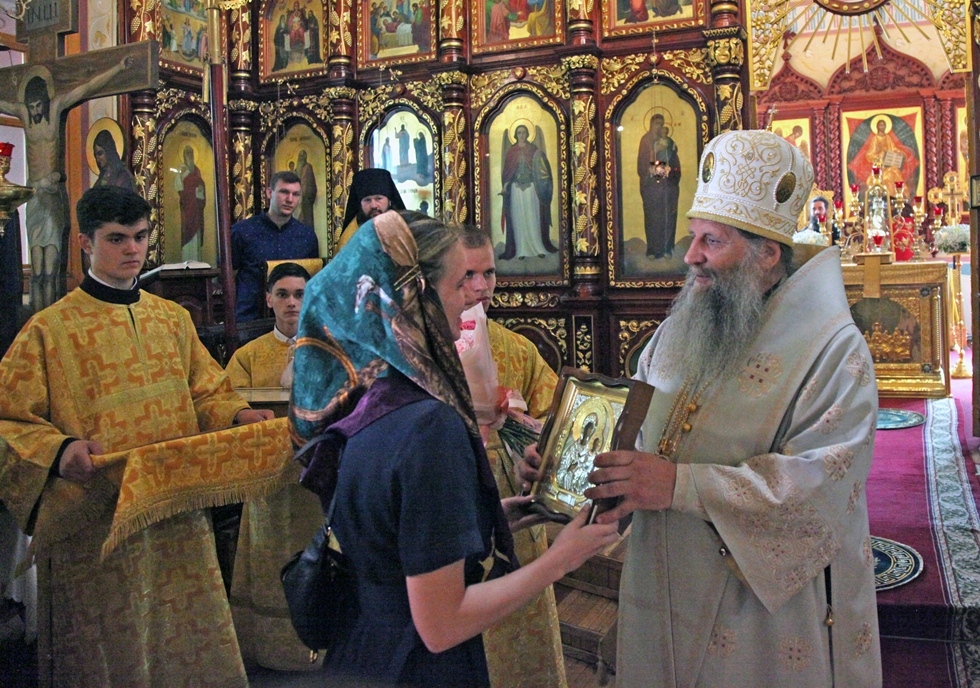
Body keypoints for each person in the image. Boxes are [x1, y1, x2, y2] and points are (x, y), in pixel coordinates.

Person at [521, 129, 883, 686]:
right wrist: (568, 467)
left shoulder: (833, 351)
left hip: (760, 613)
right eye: (693, 237)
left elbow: (821, 487)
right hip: (661, 575)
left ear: (767, 254)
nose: (690, 256)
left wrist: (678, 486)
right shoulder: (684, 326)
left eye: (712, 241)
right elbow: (637, 434)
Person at [290, 210, 619, 686]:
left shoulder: (372, 398)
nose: (470, 298)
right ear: (414, 296)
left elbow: (393, 537)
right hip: (416, 668)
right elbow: (442, 625)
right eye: (458, 283)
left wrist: (488, 515)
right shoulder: (430, 426)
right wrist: (561, 558)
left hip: (362, 650)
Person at [0, 185, 274, 687]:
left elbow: (205, 391)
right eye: (116, 238)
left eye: (141, 236)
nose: (132, 249)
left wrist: (236, 415)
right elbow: (10, 420)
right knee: (111, 642)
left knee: (181, 633)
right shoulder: (48, 329)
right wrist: (60, 451)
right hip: (99, 518)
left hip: (175, 509)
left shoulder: (172, 318)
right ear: (85, 243)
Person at [458, 226, 568, 687]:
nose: (481, 287)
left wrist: (527, 431)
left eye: (489, 273)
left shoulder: (517, 347)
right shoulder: (417, 347)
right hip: (452, 495)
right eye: (468, 275)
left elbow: (553, 420)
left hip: (511, 493)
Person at [222, 262, 325, 671]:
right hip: (268, 482)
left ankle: (325, 646)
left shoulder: (333, 348)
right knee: (268, 558)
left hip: (319, 480)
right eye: (282, 294)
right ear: (268, 299)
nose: (292, 303)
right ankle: (268, 648)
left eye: (300, 294)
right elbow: (228, 408)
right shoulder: (247, 356)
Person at [0, 56, 135, 310]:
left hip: (52, 195)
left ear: (46, 100)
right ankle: (37, 313)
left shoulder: (56, 108)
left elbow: (87, 87)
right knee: (37, 265)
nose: (35, 110)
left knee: (51, 263)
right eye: (32, 106)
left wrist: (117, 67)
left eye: (38, 105)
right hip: (34, 196)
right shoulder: (24, 113)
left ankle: (50, 310)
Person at [231, 170, 319, 322]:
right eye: (284, 192)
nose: (290, 199)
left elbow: (311, 278)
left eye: (296, 194)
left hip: (293, 317)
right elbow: (228, 274)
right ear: (269, 193)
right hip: (250, 317)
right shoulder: (242, 231)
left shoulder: (307, 236)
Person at [499, 124, 557, 260]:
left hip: (532, 188)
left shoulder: (533, 150)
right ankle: (521, 250)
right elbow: (508, 172)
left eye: (524, 132)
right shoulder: (512, 151)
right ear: (515, 135)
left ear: (527, 134)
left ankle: (538, 247)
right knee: (519, 218)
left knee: (533, 217)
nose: (522, 135)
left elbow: (541, 169)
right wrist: (505, 186)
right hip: (516, 189)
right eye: (519, 133)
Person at [638, 113, 682, 258]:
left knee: (668, 216)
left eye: (661, 124)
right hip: (652, 188)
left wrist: (671, 171)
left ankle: (667, 248)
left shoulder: (669, 141)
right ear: (651, 124)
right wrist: (656, 164)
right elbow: (642, 165)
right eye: (657, 124)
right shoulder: (646, 141)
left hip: (667, 186)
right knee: (653, 217)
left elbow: (674, 161)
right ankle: (653, 250)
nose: (659, 127)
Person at [336, 167, 407, 250]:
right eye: (367, 200)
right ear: (360, 204)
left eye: (378, 198)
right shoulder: (349, 238)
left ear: (389, 201)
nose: (373, 205)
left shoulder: (405, 230)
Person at [174, 144, 206, 262]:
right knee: (187, 232)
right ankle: (186, 261)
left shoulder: (196, 170)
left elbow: (201, 184)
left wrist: (201, 189)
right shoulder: (182, 169)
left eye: (191, 154)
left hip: (196, 208)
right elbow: (178, 186)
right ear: (184, 156)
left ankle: (197, 261)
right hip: (187, 207)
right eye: (188, 154)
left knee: (196, 234)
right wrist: (191, 189)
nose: (190, 157)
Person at [294, 148, 318, 230]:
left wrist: (307, 195)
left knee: (307, 219)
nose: (301, 158)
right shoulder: (296, 169)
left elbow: (311, 183)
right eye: (300, 156)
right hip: (298, 197)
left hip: (306, 198)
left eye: (302, 156)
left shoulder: (308, 167)